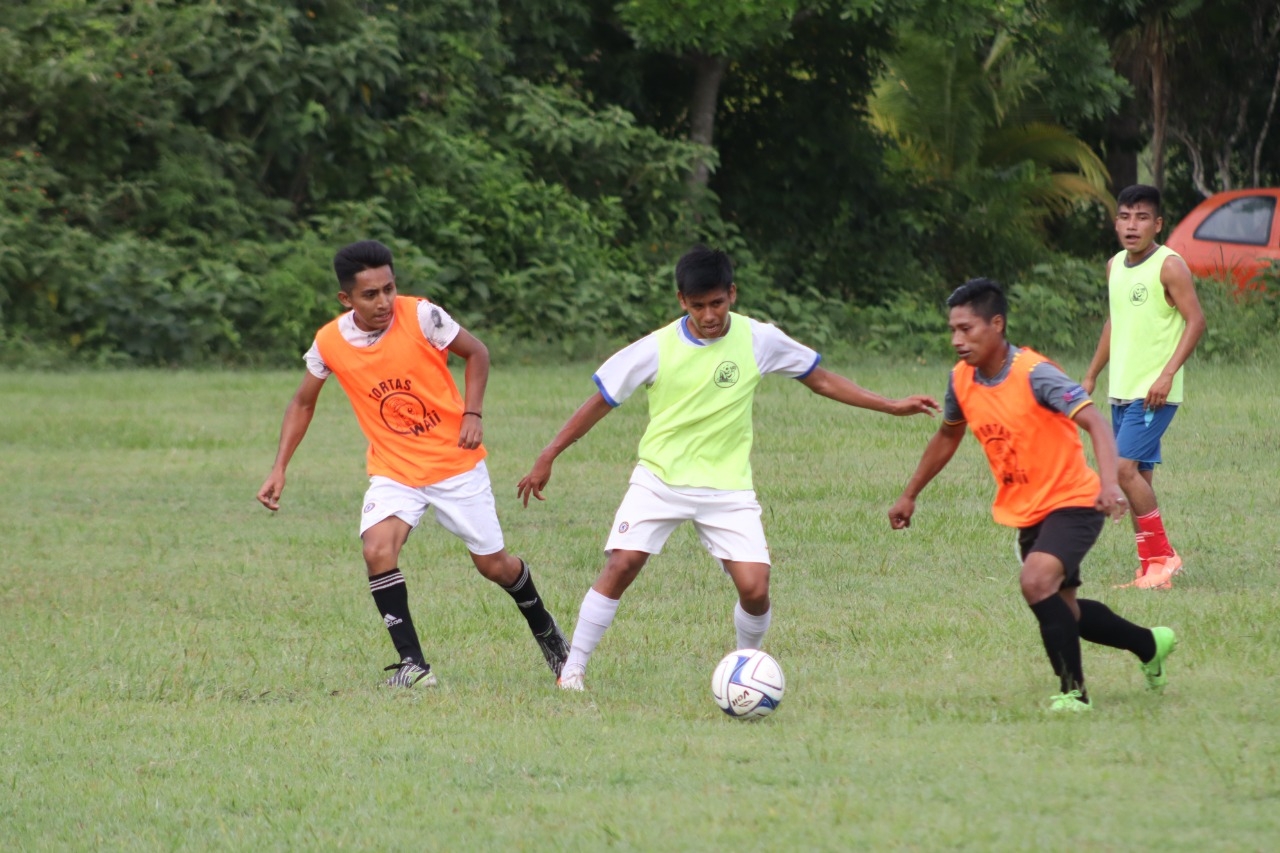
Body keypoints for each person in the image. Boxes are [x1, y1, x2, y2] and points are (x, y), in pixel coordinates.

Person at [516, 244, 941, 691]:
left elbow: (822, 379)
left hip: (727, 490)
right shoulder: (656, 347)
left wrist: (891, 405)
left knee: (756, 589)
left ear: (732, 294)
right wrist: (549, 454)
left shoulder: (759, 339)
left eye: (716, 303)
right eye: (697, 305)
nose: (709, 314)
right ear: (682, 301)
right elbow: (601, 400)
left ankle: (746, 671)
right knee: (622, 564)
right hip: (660, 479)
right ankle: (574, 670)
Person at [256, 240, 568, 688]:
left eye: (389, 288)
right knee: (377, 549)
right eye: (370, 295)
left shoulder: (422, 315)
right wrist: (279, 467)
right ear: (346, 299)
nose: (383, 301)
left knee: (494, 566)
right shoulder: (329, 341)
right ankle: (414, 666)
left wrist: (472, 414)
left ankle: (551, 638)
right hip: (395, 469)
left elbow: (476, 352)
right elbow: (302, 403)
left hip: (454, 463)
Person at [889, 278, 1177, 712]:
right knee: (1066, 611)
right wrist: (910, 494)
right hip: (1027, 509)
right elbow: (948, 436)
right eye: (953, 330)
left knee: (1035, 581)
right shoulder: (961, 381)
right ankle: (1148, 643)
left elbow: (1096, 422)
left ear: (997, 324)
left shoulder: (1035, 374)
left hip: (1074, 501)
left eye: (967, 329)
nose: (957, 340)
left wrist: (1108, 483)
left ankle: (1073, 694)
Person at [1083, 184, 1206, 590]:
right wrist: (1092, 374)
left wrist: (1167, 373)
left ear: (1158, 224)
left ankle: (1165, 557)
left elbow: (1196, 322)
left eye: (1141, 218)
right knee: (1140, 481)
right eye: (1124, 216)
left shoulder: (1170, 265)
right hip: (1122, 389)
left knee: (1121, 469)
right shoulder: (1114, 265)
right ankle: (1151, 567)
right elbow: (1114, 323)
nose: (1131, 225)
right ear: (1116, 222)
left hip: (1154, 393)